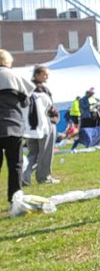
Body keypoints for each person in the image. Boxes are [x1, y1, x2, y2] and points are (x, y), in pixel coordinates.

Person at [0, 49, 33, 212]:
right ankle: (14, 198)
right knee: (15, 165)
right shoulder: (14, 76)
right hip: (13, 125)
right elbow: (26, 101)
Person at [23, 66, 60, 185]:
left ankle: (24, 174)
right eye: (44, 74)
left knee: (33, 153)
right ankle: (44, 177)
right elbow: (49, 107)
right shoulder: (41, 90)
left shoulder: (26, 88)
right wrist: (54, 118)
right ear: (37, 75)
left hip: (30, 127)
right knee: (45, 153)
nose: (47, 77)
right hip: (44, 125)